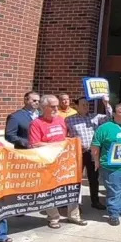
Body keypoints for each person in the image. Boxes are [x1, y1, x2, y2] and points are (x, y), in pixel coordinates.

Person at [30, 94, 87, 228]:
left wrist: (70, 142)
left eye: (57, 106)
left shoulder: (61, 120)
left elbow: (65, 137)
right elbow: (34, 144)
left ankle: (74, 216)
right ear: (44, 108)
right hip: (47, 162)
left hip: (65, 161)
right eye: (53, 106)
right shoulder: (36, 124)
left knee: (71, 187)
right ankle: (53, 217)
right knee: (50, 190)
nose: (57, 108)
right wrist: (56, 145)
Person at [66, 96, 111, 210]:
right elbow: (64, 136)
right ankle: (76, 204)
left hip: (92, 152)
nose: (86, 107)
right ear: (76, 106)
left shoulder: (95, 117)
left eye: (87, 104)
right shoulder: (69, 120)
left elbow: (110, 118)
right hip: (78, 152)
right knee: (76, 179)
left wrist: (106, 104)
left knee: (93, 178)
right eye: (83, 105)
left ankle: (95, 201)